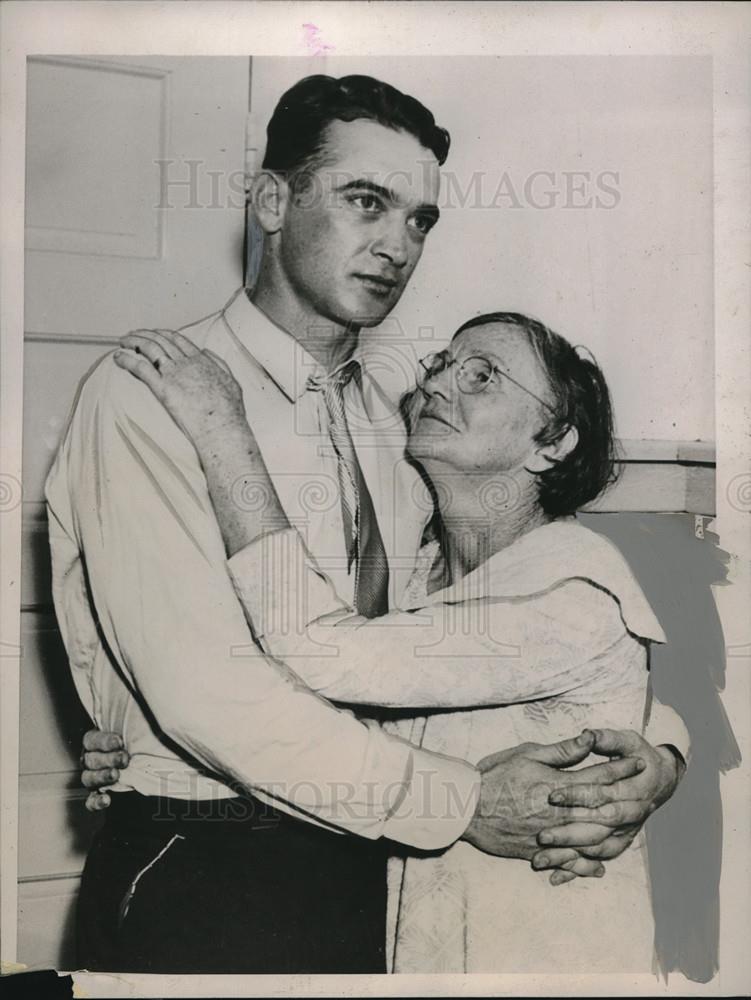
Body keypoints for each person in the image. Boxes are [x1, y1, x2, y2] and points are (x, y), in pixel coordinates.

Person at [49, 74, 686, 974]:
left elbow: (513, 627)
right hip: (211, 862)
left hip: (386, 875)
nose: (396, 245)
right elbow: (209, 700)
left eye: (419, 220)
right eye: (365, 202)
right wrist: (462, 803)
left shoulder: (409, 420)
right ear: (273, 201)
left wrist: (659, 756)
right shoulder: (154, 395)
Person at [107, 311, 686, 972]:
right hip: (431, 944)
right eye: (442, 362)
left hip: (550, 955)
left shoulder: (567, 588)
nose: (439, 383)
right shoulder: (421, 576)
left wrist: (221, 429)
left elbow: (324, 651)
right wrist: (138, 740)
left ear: (551, 443)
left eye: (481, 376)